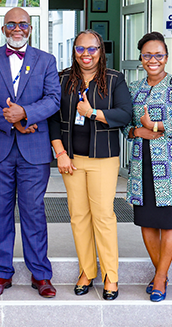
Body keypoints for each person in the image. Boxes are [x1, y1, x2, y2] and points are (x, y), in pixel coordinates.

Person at [0, 7, 61, 298]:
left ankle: (41, 274)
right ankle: (1, 273)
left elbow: (53, 99)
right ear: (3, 29)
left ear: (31, 28)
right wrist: (9, 119)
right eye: (11, 24)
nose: (17, 28)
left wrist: (24, 115)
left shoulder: (46, 61)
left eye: (22, 24)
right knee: (0, 212)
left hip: (34, 149)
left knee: (34, 211)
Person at [48, 29, 132, 300]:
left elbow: (125, 114)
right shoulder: (62, 79)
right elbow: (52, 118)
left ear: (101, 51)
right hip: (71, 158)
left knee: (103, 216)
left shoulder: (114, 79)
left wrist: (93, 113)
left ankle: (110, 274)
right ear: (74, 51)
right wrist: (60, 152)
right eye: (80, 49)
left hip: (103, 158)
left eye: (92, 49)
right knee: (79, 216)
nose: (86, 54)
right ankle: (87, 270)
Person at [125, 32, 172, 302]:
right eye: (147, 55)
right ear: (141, 58)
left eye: (159, 55)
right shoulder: (134, 88)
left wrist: (154, 126)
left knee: (170, 221)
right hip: (142, 163)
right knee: (147, 221)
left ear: (166, 57)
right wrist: (136, 131)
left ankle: (160, 277)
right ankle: (161, 274)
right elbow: (125, 127)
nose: (153, 60)